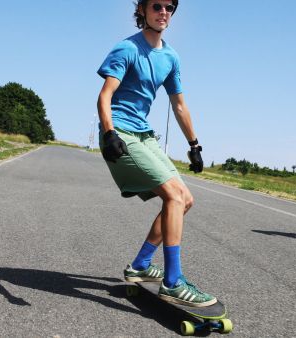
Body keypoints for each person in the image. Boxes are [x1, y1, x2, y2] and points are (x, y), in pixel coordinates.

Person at [96, 0, 216, 307]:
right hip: (120, 133)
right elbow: (105, 95)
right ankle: (173, 282)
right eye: (156, 6)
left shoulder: (171, 57)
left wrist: (194, 145)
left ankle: (140, 264)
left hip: (144, 134)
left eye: (169, 8)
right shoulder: (127, 49)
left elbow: (179, 105)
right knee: (174, 195)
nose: (163, 12)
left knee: (185, 200)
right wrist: (109, 133)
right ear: (142, 11)